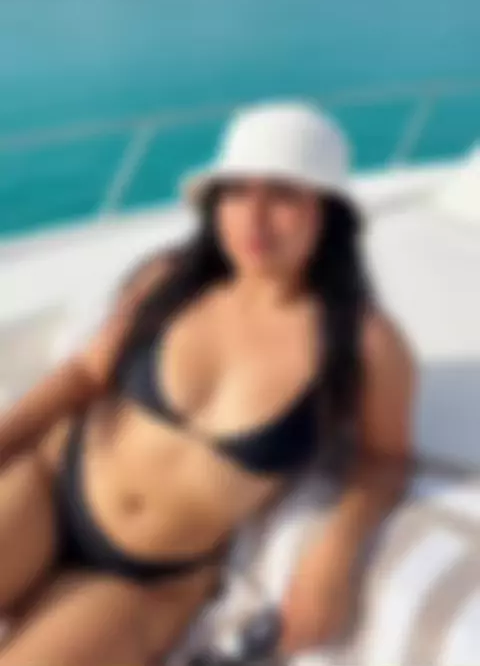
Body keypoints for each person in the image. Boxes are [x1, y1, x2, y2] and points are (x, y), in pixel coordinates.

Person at [0, 102, 415, 666]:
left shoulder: (365, 343)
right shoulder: (171, 279)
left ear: (328, 212)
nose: (253, 219)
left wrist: (333, 556)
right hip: (48, 490)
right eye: (237, 192)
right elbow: (86, 374)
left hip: (145, 581)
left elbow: (386, 460)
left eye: (283, 195)